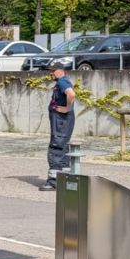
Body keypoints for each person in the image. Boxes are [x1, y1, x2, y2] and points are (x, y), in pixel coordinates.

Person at [40, 60, 75, 191]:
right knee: (63, 148)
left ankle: (54, 182)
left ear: (61, 71)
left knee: (56, 148)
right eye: (50, 70)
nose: (51, 73)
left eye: (53, 70)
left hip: (61, 121)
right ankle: (64, 180)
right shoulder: (63, 81)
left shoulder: (62, 82)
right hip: (62, 121)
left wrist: (67, 108)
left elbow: (71, 94)